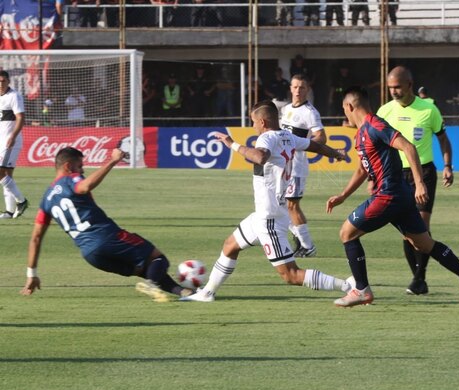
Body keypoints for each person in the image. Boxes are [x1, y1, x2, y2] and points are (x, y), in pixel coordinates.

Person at [327, 86, 459, 308]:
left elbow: (408, 147)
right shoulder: (361, 133)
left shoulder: (376, 125)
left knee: (347, 233)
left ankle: (361, 290)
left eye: (344, 110)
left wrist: (420, 183)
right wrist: (343, 195)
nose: (345, 114)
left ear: (350, 106)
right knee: (422, 244)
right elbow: (363, 169)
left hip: (389, 194)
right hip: (399, 196)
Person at [181, 100, 351, 302]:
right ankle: (207, 292)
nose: (253, 126)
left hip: (269, 218)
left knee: (291, 275)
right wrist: (335, 153)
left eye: (253, 122)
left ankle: (348, 286)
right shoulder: (288, 137)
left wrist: (232, 144)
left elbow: (260, 157)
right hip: (262, 214)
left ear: (262, 121)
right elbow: (314, 145)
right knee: (230, 246)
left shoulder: (267, 138)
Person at [20, 147, 192, 301]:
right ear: (68, 166)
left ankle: (185, 292)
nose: (82, 170)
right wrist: (113, 161)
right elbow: (85, 187)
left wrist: (31, 274)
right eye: (80, 166)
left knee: (147, 270)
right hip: (107, 237)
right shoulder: (70, 180)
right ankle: (152, 285)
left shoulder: (46, 200)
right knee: (157, 257)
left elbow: (35, 238)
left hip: (91, 255)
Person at [377, 66, 454, 296]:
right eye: (390, 88)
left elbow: (443, 140)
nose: (394, 91)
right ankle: (419, 278)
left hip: (424, 173)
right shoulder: (384, 111)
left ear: (410, 85)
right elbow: (378, 145)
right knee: (407, 232)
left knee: (421, 226)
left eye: (398, 87)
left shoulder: (429, 110)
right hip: (395, 174)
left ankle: (419, 278)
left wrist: (448, 166)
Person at [280, 74, 326, 257]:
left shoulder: (310, 112)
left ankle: (308, 246)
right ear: (290, 88)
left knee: (292, 206)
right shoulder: (285, 109)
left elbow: (321, 137)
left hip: (297, 168)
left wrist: (302, 143)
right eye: (295, 87)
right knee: (281, 206)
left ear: (307, 90)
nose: (298, 91)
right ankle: (300, 240)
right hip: (283, 167)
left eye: (302, 87)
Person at [0, 71, 28, 220]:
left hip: (10, 141)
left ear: (8, 81)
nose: (1, 83)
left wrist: (12, 136)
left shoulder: (14, 96)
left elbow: (20, 118)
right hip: (1, 140)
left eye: (3, 81)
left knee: (1, 173)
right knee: (7, 175)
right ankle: (9, 211)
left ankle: (22, 201)